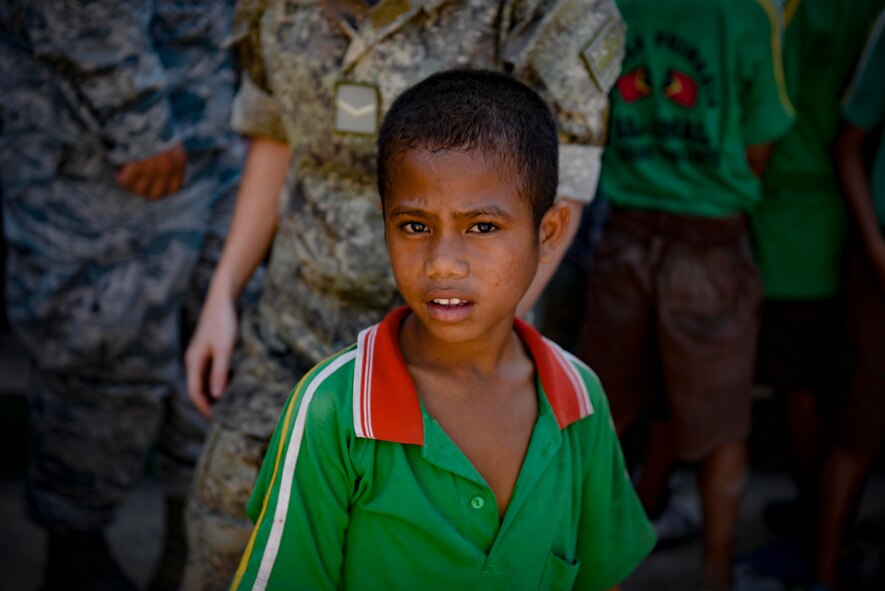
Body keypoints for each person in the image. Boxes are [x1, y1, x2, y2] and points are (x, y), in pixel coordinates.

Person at [182, 1, 626, 587]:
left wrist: (457, 355)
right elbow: (276, 136)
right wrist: (223, 296)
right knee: (228, 538)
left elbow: (555, 189)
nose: (443, 257)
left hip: (456, 366)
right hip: (292, 332)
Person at [0, 1, 244, 589]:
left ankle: (192, 547)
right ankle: (76, 551)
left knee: (218, 346)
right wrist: (136, 121)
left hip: (217, 124)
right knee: (100, 349)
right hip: (102, 149)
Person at [575, 0, 795, 588]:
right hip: (710, 242)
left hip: (625, 231)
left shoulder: (617, 10)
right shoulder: (747, 17)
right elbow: (762, 140)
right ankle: (715, 577)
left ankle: (599, 573)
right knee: (723, 431)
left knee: (601, 417)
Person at [750, 0, 884, 541]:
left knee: (803, 378)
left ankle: (819, 523)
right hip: (838, 209)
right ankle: (827, 520)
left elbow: (769, 117)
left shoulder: (804, 12)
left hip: (798, 210)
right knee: (833, 377)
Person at [814, 11, 885, 590]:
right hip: (879, 263)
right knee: (860, 425)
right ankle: (826, 569)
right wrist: (876, 246)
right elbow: (850, 145)